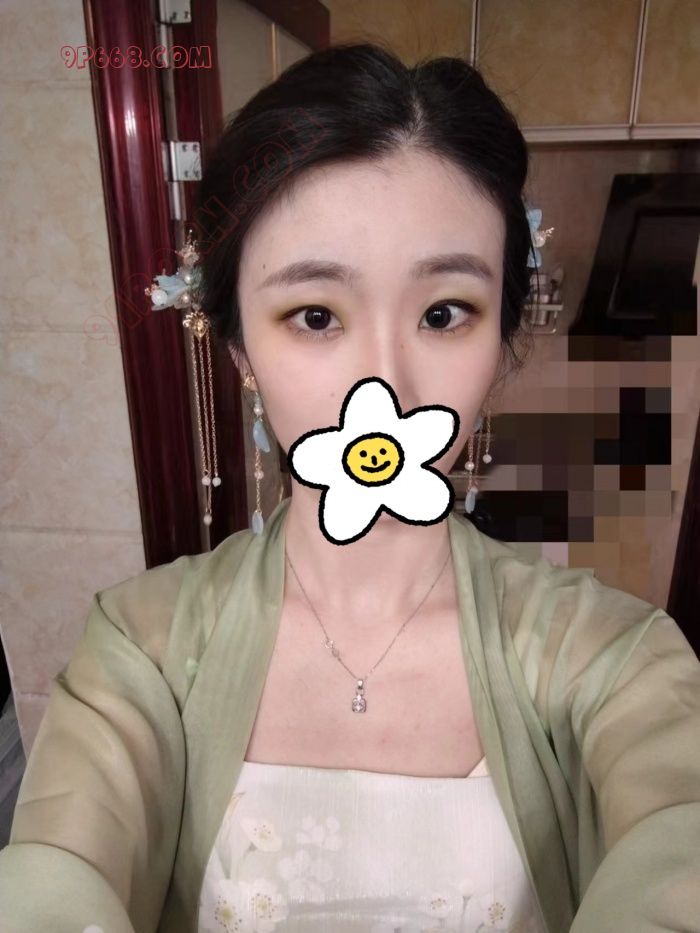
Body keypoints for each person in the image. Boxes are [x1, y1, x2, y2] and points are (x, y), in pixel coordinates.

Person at [1, 42, 699, 933]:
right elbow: (56, 874)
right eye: (316, 315)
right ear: (240, 349)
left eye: (443, 313)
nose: (386, 387)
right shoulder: (141, 654)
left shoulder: (614, 659)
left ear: (500, 340)